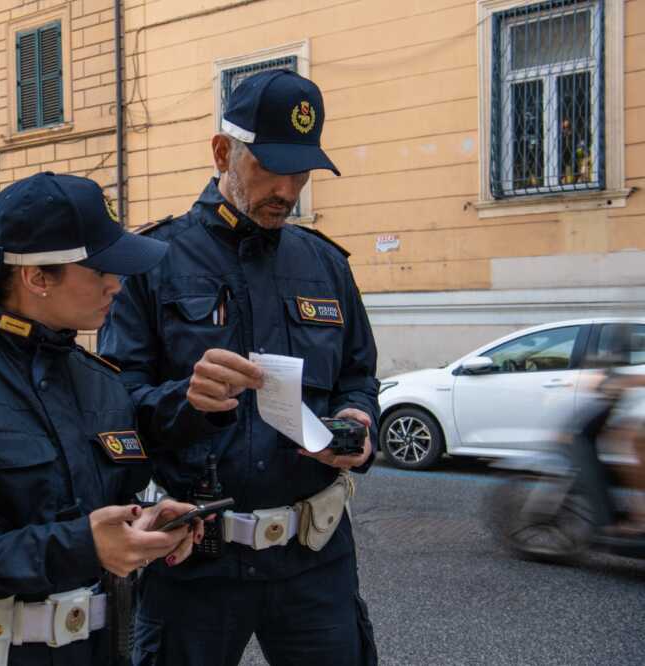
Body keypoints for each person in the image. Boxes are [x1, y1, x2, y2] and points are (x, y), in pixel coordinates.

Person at [99, 70, 379, 665]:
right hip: (196, 558)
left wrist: (359, 420)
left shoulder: (326, 264)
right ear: (223, 152)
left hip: (314, 557)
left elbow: (359, 374)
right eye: (269, 168)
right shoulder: (153, 263)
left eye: (300, 172)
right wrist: (185, 401)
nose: (287, 188)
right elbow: (114, 408)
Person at [0, 172, 204, 666]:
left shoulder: (102, 381)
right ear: (36, 277)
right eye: (100, 269)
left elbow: (102, 511)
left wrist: (145, 523)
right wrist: (84, 546)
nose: (117, 284)